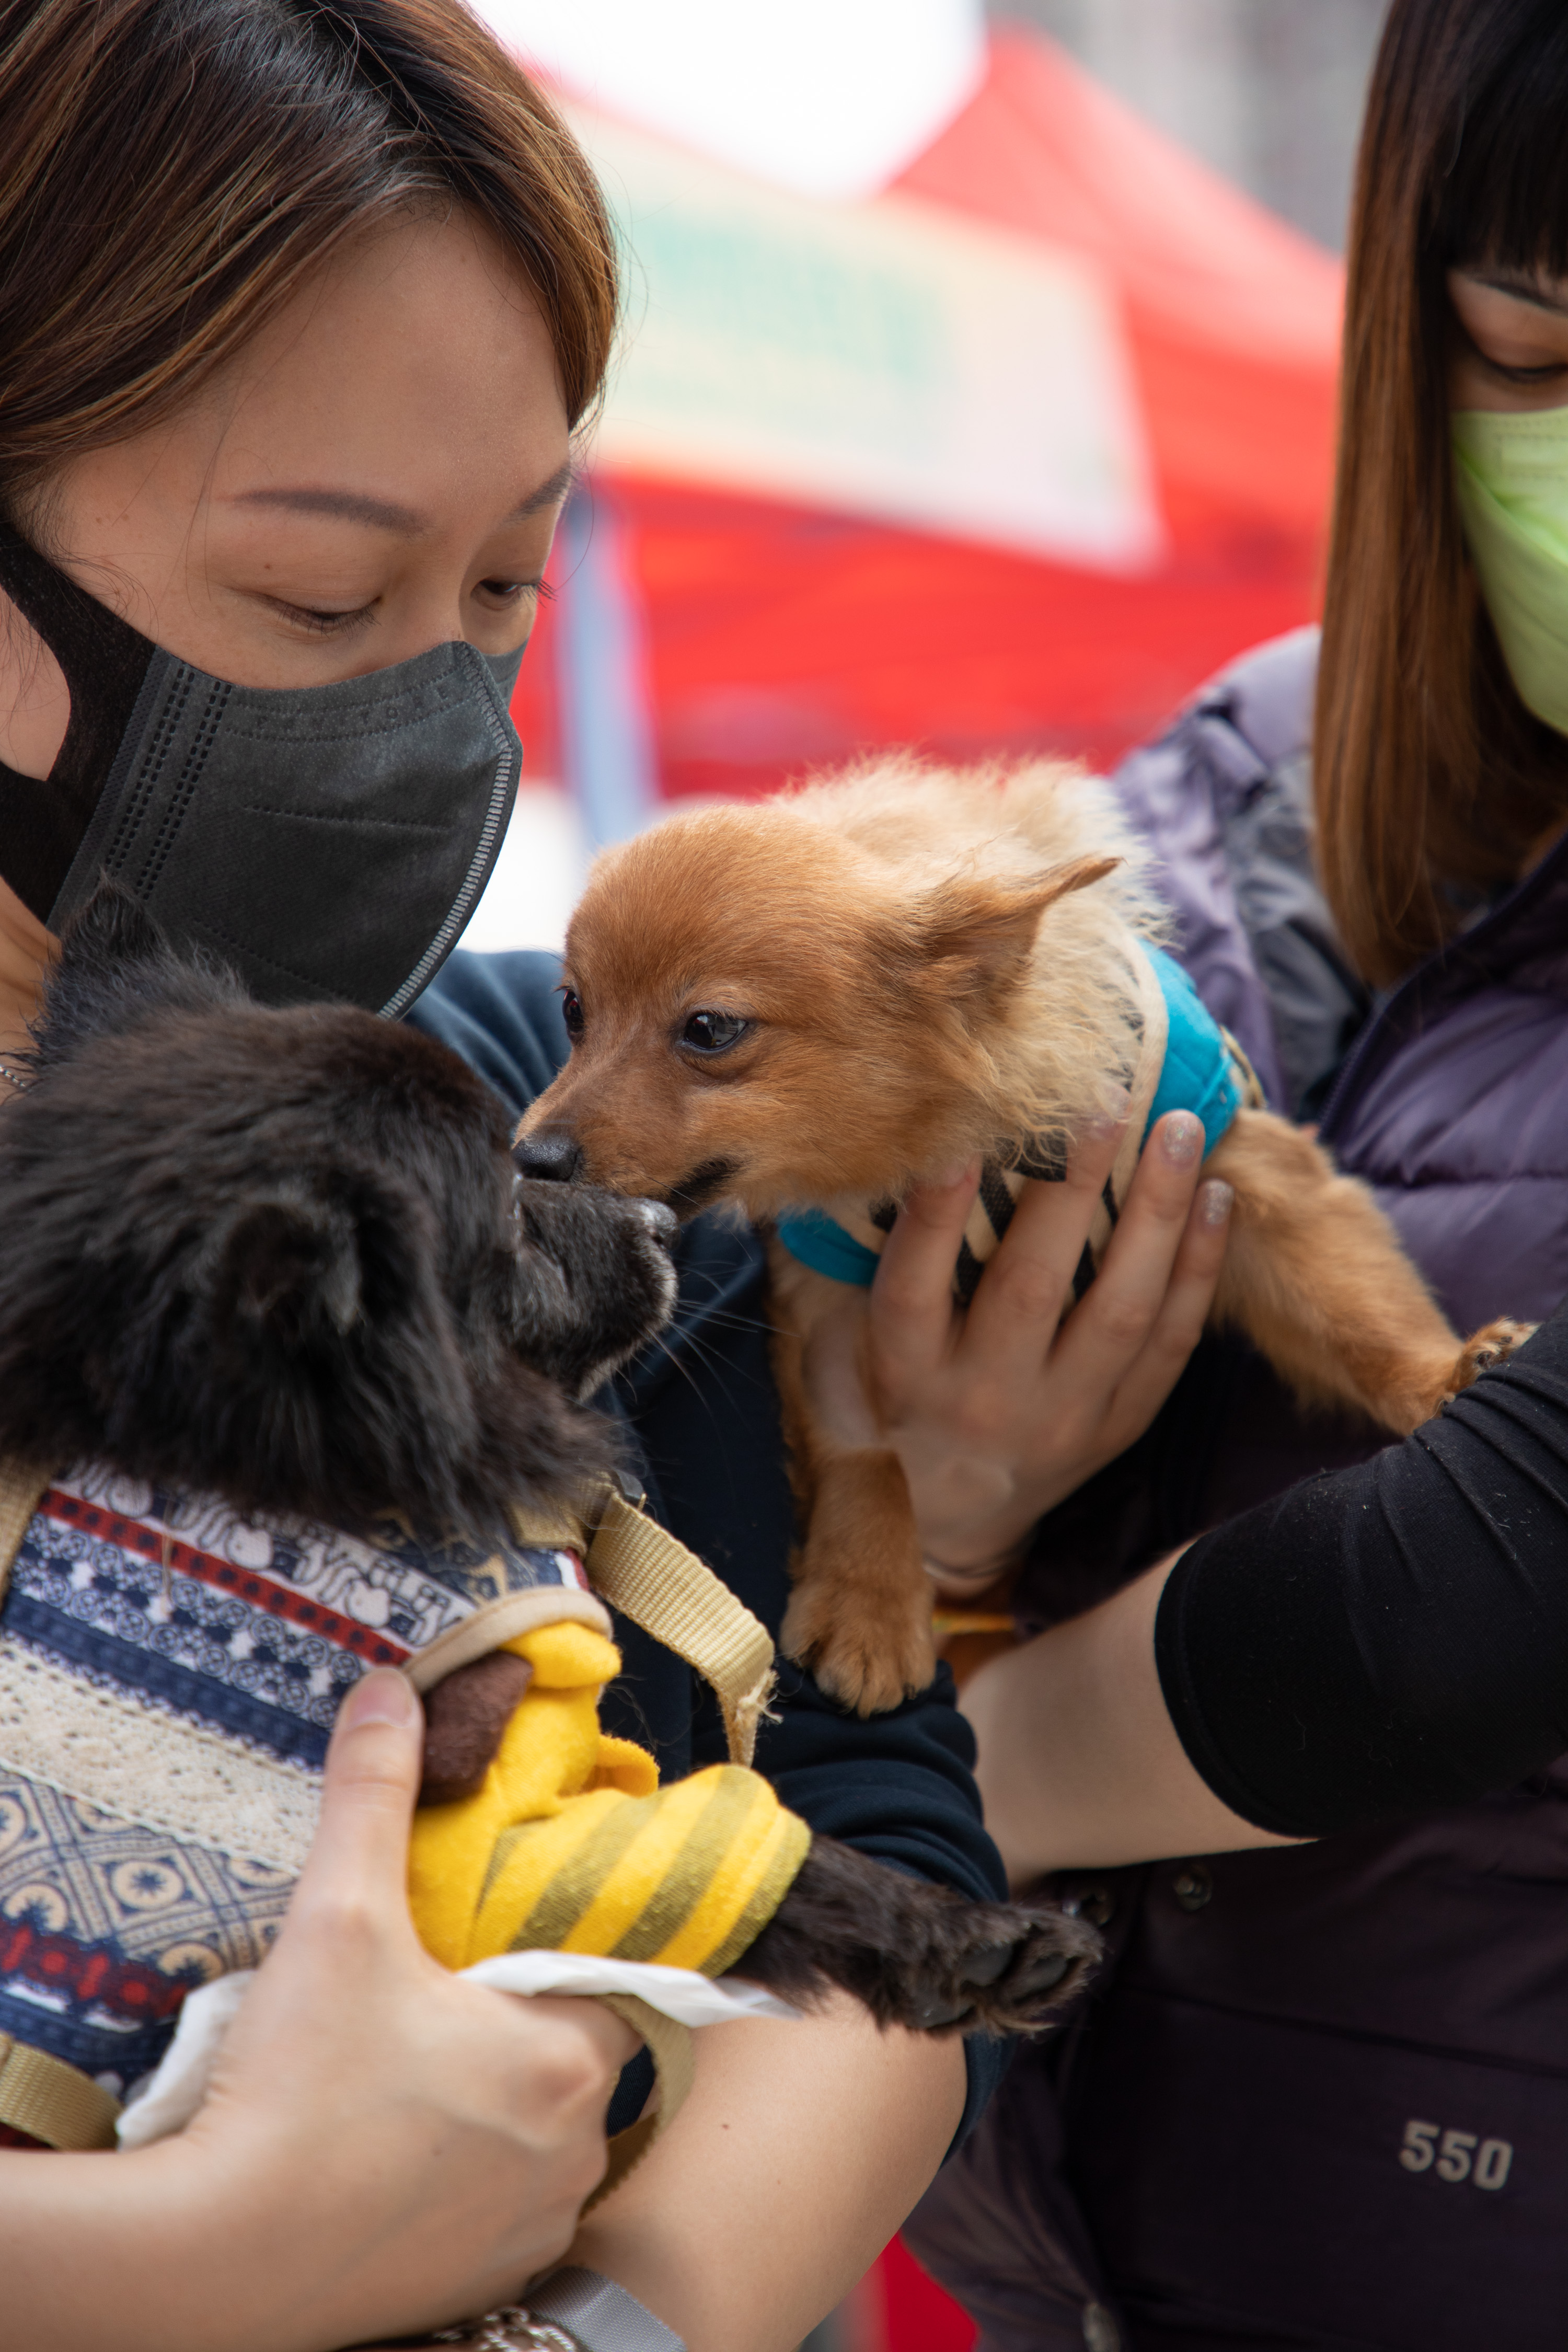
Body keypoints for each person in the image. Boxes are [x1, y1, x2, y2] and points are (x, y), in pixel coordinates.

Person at [0, 2, 1232, 2344]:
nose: (438, 720)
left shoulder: (509, 1124)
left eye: (501, 598)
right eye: (325, 602)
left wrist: (613, 2324)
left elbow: (879, 1847)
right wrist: (199, 2260)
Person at [903, 4, 1568, 2346]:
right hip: (1085, 2256)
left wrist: (911, 1782)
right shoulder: (1212, 803)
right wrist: (934, 1520)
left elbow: (1482, 1592)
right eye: (1532, 339)